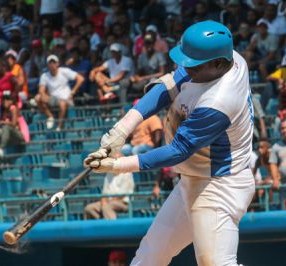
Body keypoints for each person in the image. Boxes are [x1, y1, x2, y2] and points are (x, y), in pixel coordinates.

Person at [84, 21, 255, 265]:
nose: (185, 67)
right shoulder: (222, 58)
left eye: (193, 64)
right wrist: (122, 128)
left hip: (219, 185)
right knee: (150, 256)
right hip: (193, 179)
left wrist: (117, 165)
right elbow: (167, 88)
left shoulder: (220, 101)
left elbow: (179, 150)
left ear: (217, 63)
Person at [35, 55, 84, 130]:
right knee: (38, 98)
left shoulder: (64, 71)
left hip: (66, 100)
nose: (52, 65)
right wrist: (43, 96)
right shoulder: (44, 76)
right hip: (53, 100)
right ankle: (50, 117)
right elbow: (41, 90)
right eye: (50, 63)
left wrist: (73, 92)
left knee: (62, 103)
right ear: (47, 65)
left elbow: (80, 79)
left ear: (57, 63)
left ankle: (59, 126)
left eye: (54, 62)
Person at [84, 154, 135, 220]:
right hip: (108, 202)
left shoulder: (127, 174)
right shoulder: (109, 174)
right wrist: (103, 201)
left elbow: (122, 195)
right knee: (89, 208)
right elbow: (104, 193)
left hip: (123, 203)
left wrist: (106, 202)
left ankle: (113, 228)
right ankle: (99, 226)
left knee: (106, 207)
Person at [0, 91, 29, 156]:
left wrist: (1, 122)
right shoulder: (4, 111)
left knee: (6, 127)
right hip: (11, 136)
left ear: (12, 101)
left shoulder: (13, 108)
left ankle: (1, 148)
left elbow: (13, 124)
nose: (5, 101)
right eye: (3, 99)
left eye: (8, 99)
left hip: (21, 136)